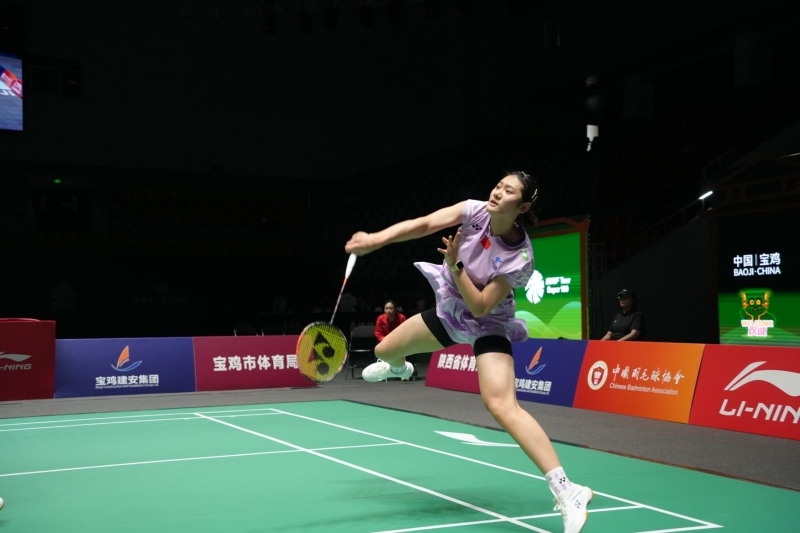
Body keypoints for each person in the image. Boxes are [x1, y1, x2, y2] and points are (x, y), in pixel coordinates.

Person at [345, 171, 592, 533]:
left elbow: (480, 306)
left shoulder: (520, 256)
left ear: (523, 207)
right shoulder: (475, 210)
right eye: (499, 185)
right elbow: (425, 223)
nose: (498, 192)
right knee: (384, 350)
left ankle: (568, 490)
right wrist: (375, 240)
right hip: (450, 312)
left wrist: (456, 263)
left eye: (509, 191)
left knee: (501, 405)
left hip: (488, 324)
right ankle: (400, 368)